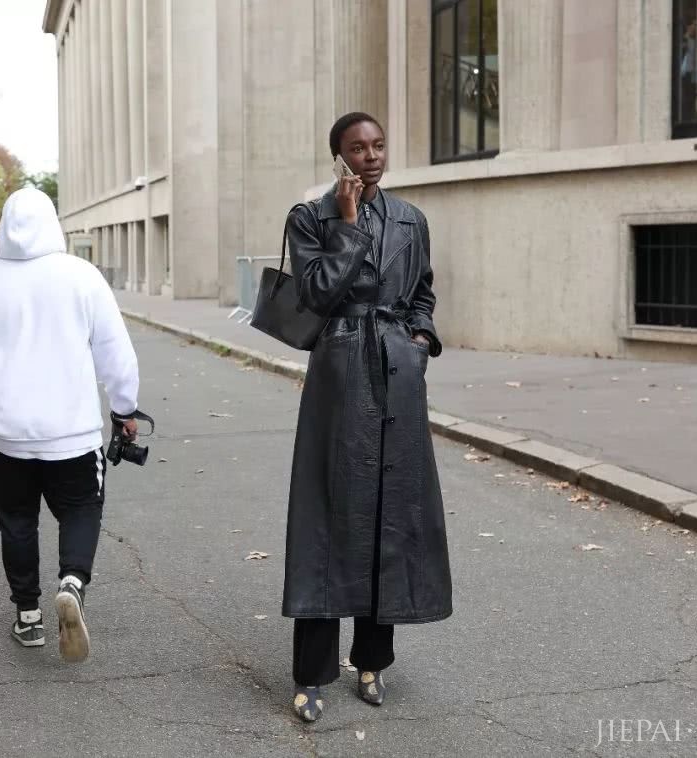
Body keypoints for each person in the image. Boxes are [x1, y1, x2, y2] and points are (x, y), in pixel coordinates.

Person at [282, 112, 452, 722]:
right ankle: (311, 674)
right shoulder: (310, 218)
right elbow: (315, 295)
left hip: (398, 376)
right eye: (358, 148)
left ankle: (373, 661)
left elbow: (424, 291)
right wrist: (349, 228)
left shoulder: (411, 219)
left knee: (390, 509)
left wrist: (420, 340)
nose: (372, 156)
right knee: (328, 515)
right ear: (338, 158)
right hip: (338, 372)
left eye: (379, 145)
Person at [0, 187, 139, 662]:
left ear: (3, 226)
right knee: (81, 509)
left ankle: (27, 616)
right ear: (54, 222)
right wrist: (125, 407)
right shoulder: (82, 277)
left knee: (16, 522)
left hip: (6, 434)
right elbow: (115, 351)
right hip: (71, 430)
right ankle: (72, 581)